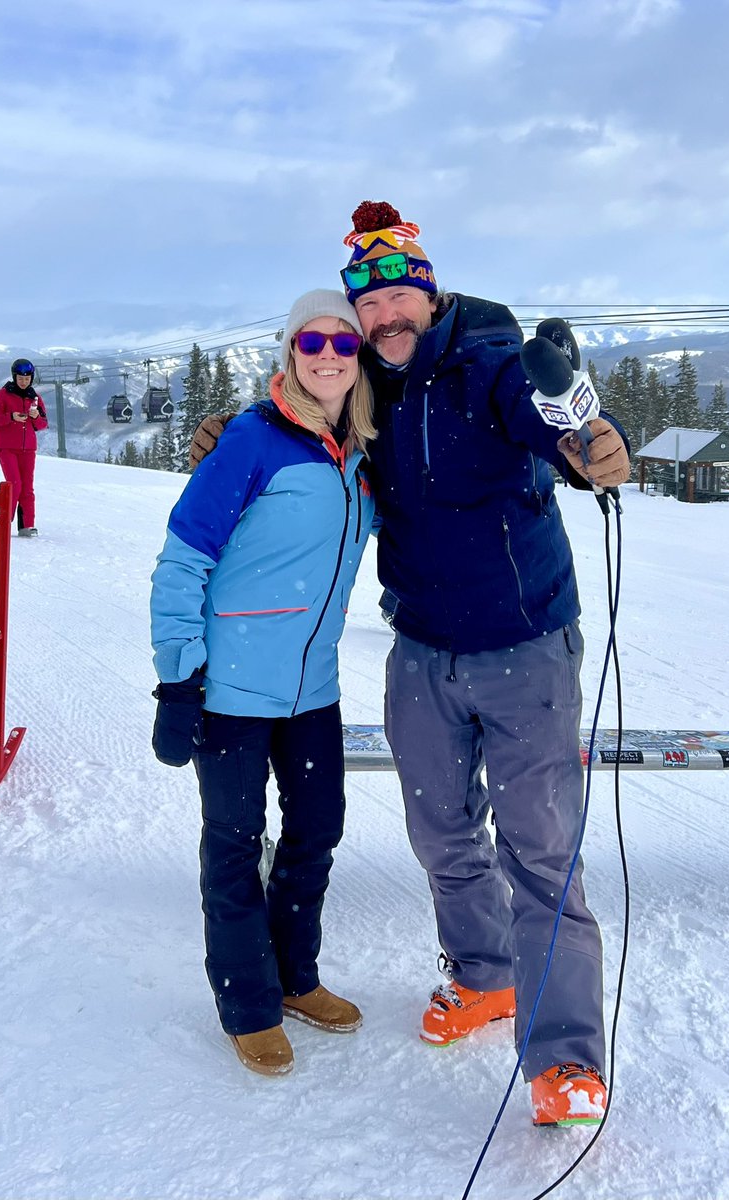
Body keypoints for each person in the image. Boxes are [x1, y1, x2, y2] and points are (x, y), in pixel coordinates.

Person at [190, 204, 631, 1127]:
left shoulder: (490, 364)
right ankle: (481, 979)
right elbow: (303, 415)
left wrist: (592, 445)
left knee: (542, 856)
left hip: (524, 650)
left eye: (401, 297)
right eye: (371, 304)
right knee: (443, 840)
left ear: (428, 296)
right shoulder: (372, 390)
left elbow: (553, 420)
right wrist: (221, 440)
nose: (387, 317)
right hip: (424, 653)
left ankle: (567, 1065)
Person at [150, 289, 376, 1077]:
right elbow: (183, 559)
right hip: (231, 692)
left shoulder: (358, 455)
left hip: (313, 687)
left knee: (315, 834)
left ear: (359, 358)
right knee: (235, 847)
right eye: (310, 341)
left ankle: (294, 978)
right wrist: (179, 680)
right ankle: (246, 1002)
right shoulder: (250, 441)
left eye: (342, 344)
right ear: (290, 351)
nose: (326, 355)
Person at [0, 359, 48, 536]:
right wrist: (11, 417)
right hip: (6, 447)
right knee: (14, 484)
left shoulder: (35, 398)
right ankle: (5, 521)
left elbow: (43, 424)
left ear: (31, 378)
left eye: (27, 378)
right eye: (21, 378)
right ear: (15, 377)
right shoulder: (2, 395)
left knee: (27, 487)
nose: (24, 381)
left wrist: (36, 416)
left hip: (28, 449)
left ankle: (27, 526)